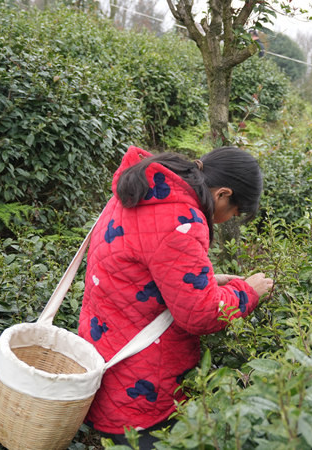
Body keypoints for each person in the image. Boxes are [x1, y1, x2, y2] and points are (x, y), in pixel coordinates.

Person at [78, 145, 274, 447]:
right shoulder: (181, 220)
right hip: (140, 389)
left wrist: (210, 280)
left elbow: (139, 269)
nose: (232, 217)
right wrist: (248, 292)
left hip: (108, 357)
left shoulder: (145, 191)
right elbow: (201, 313)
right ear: (223, 193)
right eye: (236, 210)